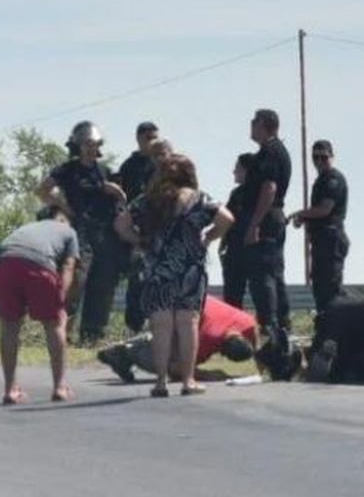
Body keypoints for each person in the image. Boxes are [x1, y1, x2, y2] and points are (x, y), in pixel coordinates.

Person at [114, 154, 234, 397]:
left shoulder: (147, 200)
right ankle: (188, 380)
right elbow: (227, 218)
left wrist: (140, 240)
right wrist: (208, 237)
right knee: (187, 323)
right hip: (190, 268)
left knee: (161, 325)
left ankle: (160, 382)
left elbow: (120, 225)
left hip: (157, 269)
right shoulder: (199, 198)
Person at [37, 121, 126, 346]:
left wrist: (116, 192)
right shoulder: (67, 170)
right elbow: (42, 190)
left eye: (94, 144)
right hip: (78, 231)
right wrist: (63, 206)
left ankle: (92, 335)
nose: (90, 148)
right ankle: (62, 331)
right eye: (86, 143)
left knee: (103, 282)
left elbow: (121, 203)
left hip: (104, 232)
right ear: (77, 144)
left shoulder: (106, 171)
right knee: (75, 280)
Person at [0, 205, 79, 404]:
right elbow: (68, 265)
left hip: (5, 263)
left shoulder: (25, 229)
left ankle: (10, 389)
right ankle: (60, 387)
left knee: (9, 326)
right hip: (39, 265)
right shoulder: (69, 231)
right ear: (61, 219)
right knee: (54, 324)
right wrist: (61, 298)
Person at [96, 295, 258, 383]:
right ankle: (127, 354)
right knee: (168, 361)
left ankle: (126, 347)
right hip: (175, 312)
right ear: (222, 348)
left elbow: (257, 341)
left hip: (184, 299)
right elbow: (177, 370)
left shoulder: (247, 323)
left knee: (170, 339)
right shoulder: (208, 339)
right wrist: (210, 375)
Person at [243, 108, 294, 373]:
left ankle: (272, 326)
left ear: (265, 125)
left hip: (267, 219)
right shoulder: (268, 152)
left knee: (265, 275)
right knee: (273, 272)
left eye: (254, 122)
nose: (251, 126)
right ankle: (280, 324)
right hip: (271, 218)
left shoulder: (272, 152)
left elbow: (269, 188)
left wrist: (255, 224)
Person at [289, 139, 349, 315]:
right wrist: (304, 218)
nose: (319, 162)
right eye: (316, 157)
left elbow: (325, 209)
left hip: (331, 239)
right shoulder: (321, 180)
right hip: (321, 240)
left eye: (323, 157)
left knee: (330, 288)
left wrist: (301, 214)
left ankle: (336, 331)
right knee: (321, 287)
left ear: (331, 157)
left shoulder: (333, 179)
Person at [116, 121, 161, 334]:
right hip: (138, 228)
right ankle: (135, 325)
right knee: (138, 277)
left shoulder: (163, 165)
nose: (153, 143)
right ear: (139, 139)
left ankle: (157, 325)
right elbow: (124, 200)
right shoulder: (130, 166)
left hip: (160, 228)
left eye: (155, 138)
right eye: (149, 138)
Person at [220, 152, 258, 310]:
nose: (234, 172)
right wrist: (223, 241)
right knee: (232, 293)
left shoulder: (256, 193)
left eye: (238, 168)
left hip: (251, 247)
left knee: (259, 288)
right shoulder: (236, 194)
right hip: (235, 247)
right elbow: (228, 218)